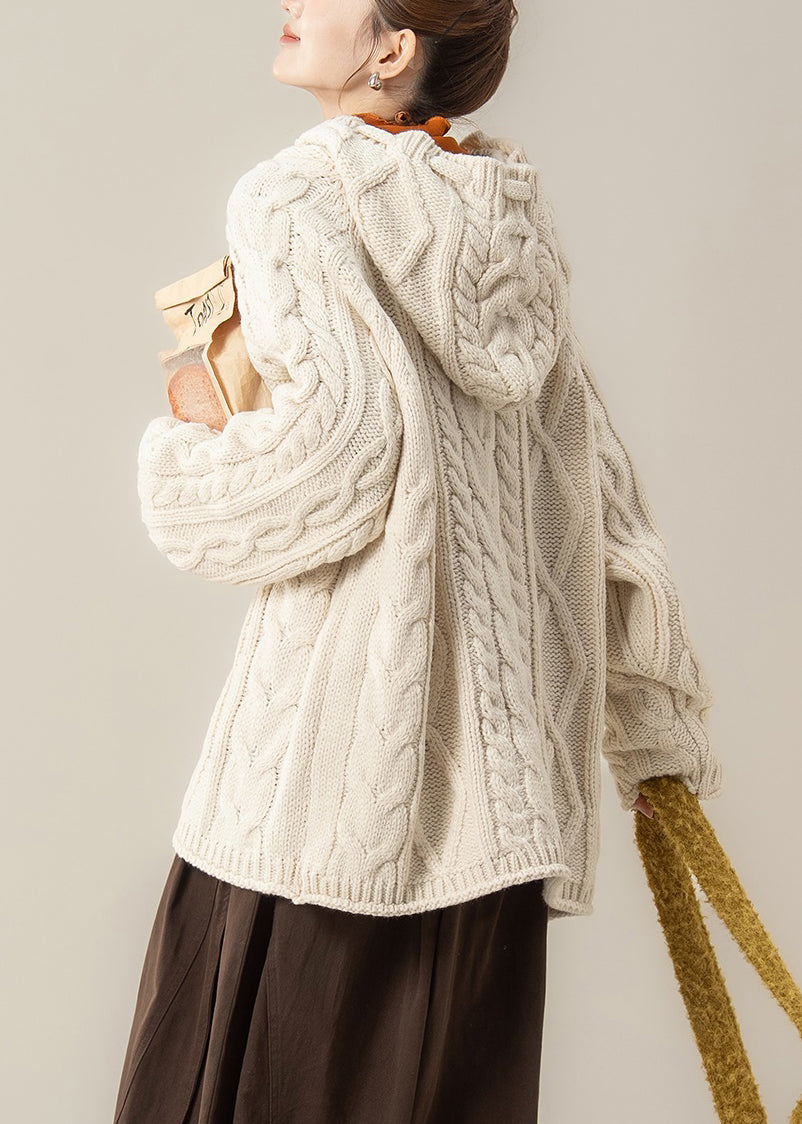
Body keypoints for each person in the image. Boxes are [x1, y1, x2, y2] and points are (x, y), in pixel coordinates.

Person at [114, 1, 723, 1120]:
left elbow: (336, 456)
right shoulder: (506, 222)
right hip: (506, 818)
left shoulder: (295, 196)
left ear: (393, 50)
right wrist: (650, 733)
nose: (293, 4)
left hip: (330, 800)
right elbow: (592, 489)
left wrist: (180, 457)